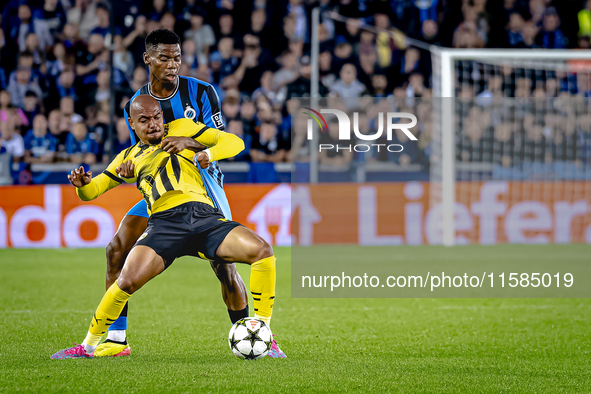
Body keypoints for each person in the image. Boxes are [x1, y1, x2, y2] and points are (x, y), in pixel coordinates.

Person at [97, 29, 285, 358]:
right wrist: (127, 169)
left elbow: (220, 140)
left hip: (203, 184)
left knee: (224, 267)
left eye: (178, 58)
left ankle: (258, 336)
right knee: (116, 248)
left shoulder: (201, 92)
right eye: (166, 58)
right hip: (161, 188)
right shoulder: (138, 102)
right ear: (148, 60)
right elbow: (141, 150)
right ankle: (115, 340)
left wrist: (196, 147)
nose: (173, 64)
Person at [51, 95, 280, 359]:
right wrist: (82, 186)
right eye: (144, 120)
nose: (153, 124)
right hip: (165, 223)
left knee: (262, 250)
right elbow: (94, 190)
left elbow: (235, 142)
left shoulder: (182, 128)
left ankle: (265, 334)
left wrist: (204, 150)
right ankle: (88, 347)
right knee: (126, 281)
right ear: (131, 124)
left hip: (204, 217)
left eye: (157, 116)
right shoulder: (127, 158)